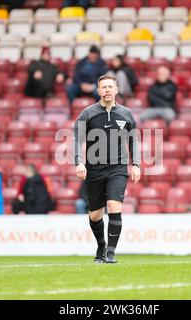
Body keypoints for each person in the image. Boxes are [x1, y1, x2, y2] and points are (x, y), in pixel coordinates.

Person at [74, 74, 141, 264]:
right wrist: (78, 162)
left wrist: (136, 164)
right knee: (95, 215)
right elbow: (77, 139)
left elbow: (133, 139)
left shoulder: (126, 114)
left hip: (118, 168)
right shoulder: (87, 113)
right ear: (98, 91)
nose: (107, 90)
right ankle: (101, 246)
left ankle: (110, 254)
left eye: (110, 86)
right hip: (94, 169)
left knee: (114, 207)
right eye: (103, 87)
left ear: (117, 90)